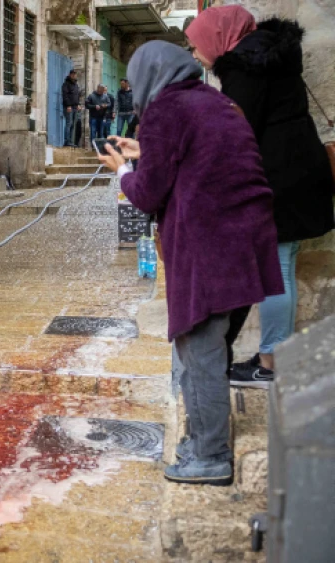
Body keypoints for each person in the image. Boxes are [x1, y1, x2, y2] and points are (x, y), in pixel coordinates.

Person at [96, 41, 283, 486]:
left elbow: (147, 195)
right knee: (213, 352)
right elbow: (197, 155)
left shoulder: (164, 109)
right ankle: (204, 440)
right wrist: (146, 150)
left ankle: (209, 456)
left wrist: (123, 169)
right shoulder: (216, 101)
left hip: (209, 246)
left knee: (198, 354)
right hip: (248, 242)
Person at [186, 6, 335, 385]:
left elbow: (234, 129)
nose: (195, 53)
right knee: (280, 264)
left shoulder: (246, 67)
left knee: (276, 270)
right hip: (299, 171)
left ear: (217, 37)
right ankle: (274, 356)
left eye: (196, 44)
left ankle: (272, 362)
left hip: (279, 180)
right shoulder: (271, 55)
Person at [61, 70, 82, 147]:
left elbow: (77, 96)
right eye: (72, 74)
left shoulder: (76, 85)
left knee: (73, 124)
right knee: (68, 123)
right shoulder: (66, 84)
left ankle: (70, 141)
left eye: (75, 74)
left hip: (75, 107)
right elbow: (65, 96)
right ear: (70, 75)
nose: (74, 76)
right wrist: (68, 105)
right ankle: (67, 141)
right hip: (69, 107)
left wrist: (78, 104)